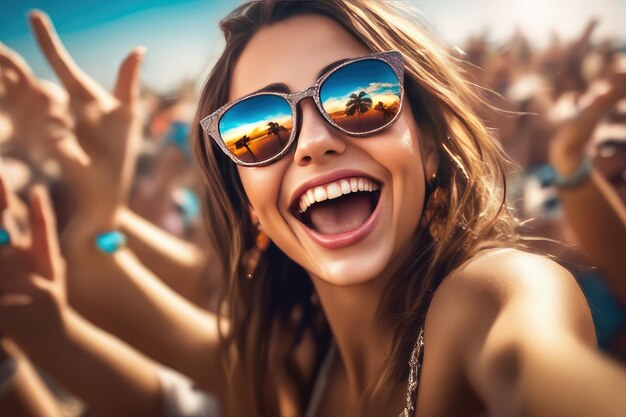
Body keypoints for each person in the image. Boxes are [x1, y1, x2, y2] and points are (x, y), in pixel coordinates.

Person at [2, 2, 626, 417]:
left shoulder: (490, 293)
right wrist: (94, 219)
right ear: (248, 203)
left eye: (360, 96)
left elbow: (531, 367)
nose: (315, 140)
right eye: (259, 126)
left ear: (430, 147)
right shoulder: (293, 353)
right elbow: (154, 394)